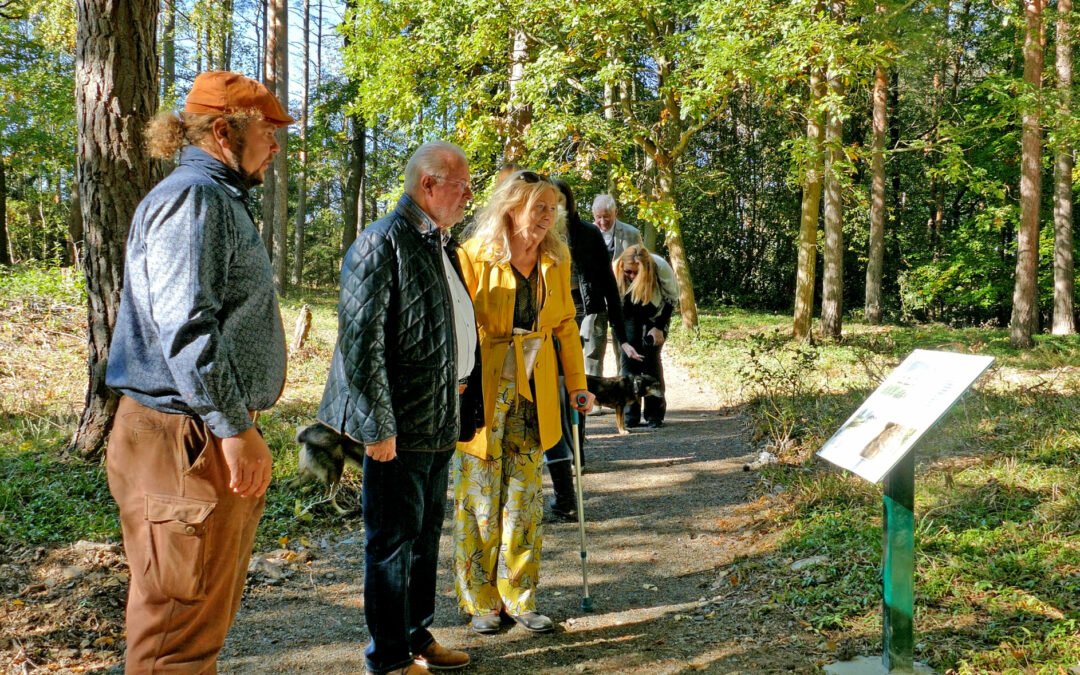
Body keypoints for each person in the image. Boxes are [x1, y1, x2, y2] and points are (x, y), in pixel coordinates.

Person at [104, 71, 293, 673]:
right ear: (223, 131)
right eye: (268, 130)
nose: (276, 145)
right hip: (185, 438)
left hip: (191, 434)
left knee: (190, 622)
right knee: (175, 638)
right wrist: (234, 428)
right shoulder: (195, 199)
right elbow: (186, 326)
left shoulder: (212, 197)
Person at [316, 141, 482, 675]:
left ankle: (415, 635)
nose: (469, 195)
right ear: (429, 184)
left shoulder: (440, 244)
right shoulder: (381, 242)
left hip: (437, 417)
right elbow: (359, 347)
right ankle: (387, 657)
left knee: (425, 536)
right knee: (391, 542)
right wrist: (376, 426)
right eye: (463, 185)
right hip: (396, 424)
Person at [453, 170, 594, 635]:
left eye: (553, 209)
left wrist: (578, 382)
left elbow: (566, 325)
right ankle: (480, 602)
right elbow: (457, 324)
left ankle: (520, 596)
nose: (548, 216)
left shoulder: (556, 257)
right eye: (539, 207)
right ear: (512, 207)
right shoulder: (474, 255)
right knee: (479, 497)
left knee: (525, 498)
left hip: (535, 387)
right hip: (483, 386)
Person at [543, 179, 642, 522]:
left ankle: (578, 453)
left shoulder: (587, 234)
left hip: (583, 314)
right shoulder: (535, 233)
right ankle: (559, 465)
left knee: (578, 385)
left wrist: (622, 332)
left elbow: (608, 285)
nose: (552, 208)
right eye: (546, 202)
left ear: (569, 203)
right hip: (542, 322)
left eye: (558, 201)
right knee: (546, 394)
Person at [613, 245, 680, 428]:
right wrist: (624, 343)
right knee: (629, 361)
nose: (632, 276)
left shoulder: (659, 266)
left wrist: (659, 327)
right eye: (628, 272)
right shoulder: (616, 269)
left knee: (650, 359)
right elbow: (613, 312)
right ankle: (630, 416)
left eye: (636, 273)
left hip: (655, 313)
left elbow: (671, 299)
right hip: (627, 313)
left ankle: (654, 415)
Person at [582, 194, 642, 377]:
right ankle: (593, 401)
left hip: (623, 300)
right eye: (598, 216)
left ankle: (624, 395)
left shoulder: (632, 234)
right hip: (594, 301)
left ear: (615, 212)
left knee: (623, 348)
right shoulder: (585, 234)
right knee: (592, 350)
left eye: (606, 216)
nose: (602, 221)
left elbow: (641, 269)